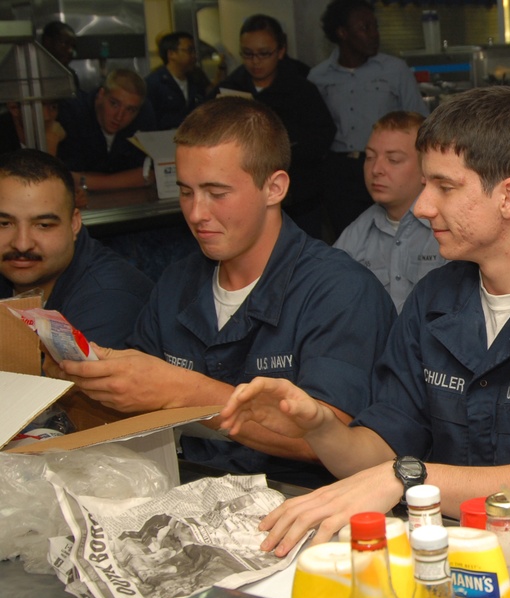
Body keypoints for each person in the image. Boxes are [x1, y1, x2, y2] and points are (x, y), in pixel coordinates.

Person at [218, 87, 510, 555]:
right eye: (425, 185)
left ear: (509, 196)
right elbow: (380, 449)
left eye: (445, 187)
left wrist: (408, 478)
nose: (423, 206)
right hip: (445, 560)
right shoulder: (434, 299)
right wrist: (319, 426)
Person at [56, 98, 396, 483]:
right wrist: (98, 379)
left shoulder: (341, 291)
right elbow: (135, 404)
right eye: (186, 192)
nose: (197, 213)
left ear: (275, 187)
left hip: (301, 503)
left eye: (217, 193)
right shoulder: (175, 283)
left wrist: (184, 392)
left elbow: (333, 440)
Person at [0, 149, 152, 348]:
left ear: (74, 224)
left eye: (43, 225)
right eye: (4, 224)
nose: (22, 243)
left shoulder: (109, 299)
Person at [309, 0, 428, 241]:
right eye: (365, 28)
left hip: (389, 164)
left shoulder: (394, 70)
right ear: (343, 33)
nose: (375, 35)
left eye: (375, 27)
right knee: (349, 238)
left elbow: (421, 121)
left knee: (399, 230)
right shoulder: (318, 77)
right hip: (340, 170)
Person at [212, 14, 336, 241]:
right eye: (247, 54)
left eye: (263, 53)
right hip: (245, 200)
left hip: (299, 199)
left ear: (280, 51)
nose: (255, 62)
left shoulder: (301, 89)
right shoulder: (229, 88)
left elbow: (322, 136)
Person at [336, 110, 443, 312]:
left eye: (393, 160)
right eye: (369, 157)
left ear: (427, 167)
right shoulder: (356, 232)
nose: (376, 169)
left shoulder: (449, 227)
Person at [57, 68, 156, 192]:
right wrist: (125, 179)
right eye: (114, 104)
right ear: (101, 95)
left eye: (130, 110)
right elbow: (64, 177)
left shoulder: (145, 115)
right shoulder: (73, 113)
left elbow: (148, 174)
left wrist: (85, 180)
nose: (119, 116)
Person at [145, 32, 208, 130]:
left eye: (194, 51)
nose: (194, 56)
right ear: (171, 54)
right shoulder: (154, 83)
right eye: (189, 50)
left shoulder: (196, 80)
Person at [39, 21, 79, 92]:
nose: (70, 51)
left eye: (73, 46)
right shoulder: (34, 72)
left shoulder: (69, 75)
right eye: (65, 43)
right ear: (48, 42)